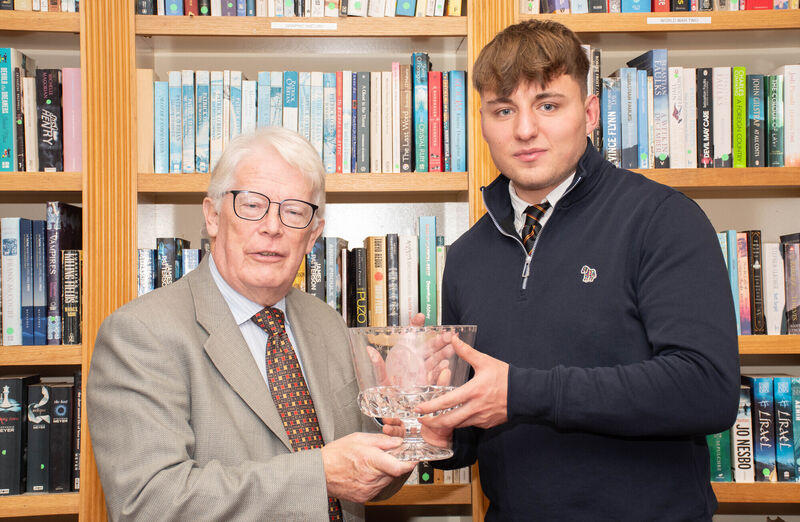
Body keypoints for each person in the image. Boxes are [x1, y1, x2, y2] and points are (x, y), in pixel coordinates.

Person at [411, 19, 741, 521]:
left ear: (589, 113)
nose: (525, 130)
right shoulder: (464, 257)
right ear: (481, 123)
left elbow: (708, 390)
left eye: (548, 105)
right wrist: (434, 424)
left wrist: (524, 393)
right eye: (504, 110)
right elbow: (473, 433)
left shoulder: (661, 219)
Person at [87, 127, 416, 521]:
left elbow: (358, 476)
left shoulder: (327, 323)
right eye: (252, 204)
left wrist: (405, 424)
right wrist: (318, 476)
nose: (272, 226)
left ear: (313, 234)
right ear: (212, 216)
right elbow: (149, 505)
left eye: (293, 211)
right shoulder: (140, 334)